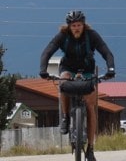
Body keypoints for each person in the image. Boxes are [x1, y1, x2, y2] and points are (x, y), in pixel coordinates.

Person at [39, 10, 115, 161]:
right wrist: (43, 69)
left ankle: (91, 149)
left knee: (91, 107)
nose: (76, 28)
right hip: (68, 68)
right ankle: (66, 117)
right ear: (69, 26)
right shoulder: (62, 36)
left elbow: (106, 52)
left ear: (84, 25)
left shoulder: (92, 35)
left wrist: (111, 68)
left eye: (79, 25)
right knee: (63, 81)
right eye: (73, 25)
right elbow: (47, 52)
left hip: (87, 70)